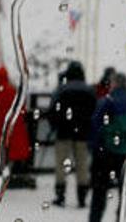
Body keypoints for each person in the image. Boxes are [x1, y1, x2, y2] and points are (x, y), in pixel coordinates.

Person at [89, 71, 126, 222]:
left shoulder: (107, 101)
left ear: (114, 84)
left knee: (99, 192)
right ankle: (122, 218)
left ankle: (95, 219)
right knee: (125, 192)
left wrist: (94, 148)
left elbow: (96, 125)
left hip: (105, 152)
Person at [48, 61, 96, 207]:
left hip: (63, 133)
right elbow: (94, 112)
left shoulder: (61, 90)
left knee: (61, 166)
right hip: (82, 134)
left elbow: (53, 109)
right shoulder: (89, 91)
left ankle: (60, 196)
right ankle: (82, 197)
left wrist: (54, 126)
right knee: (82, 166)